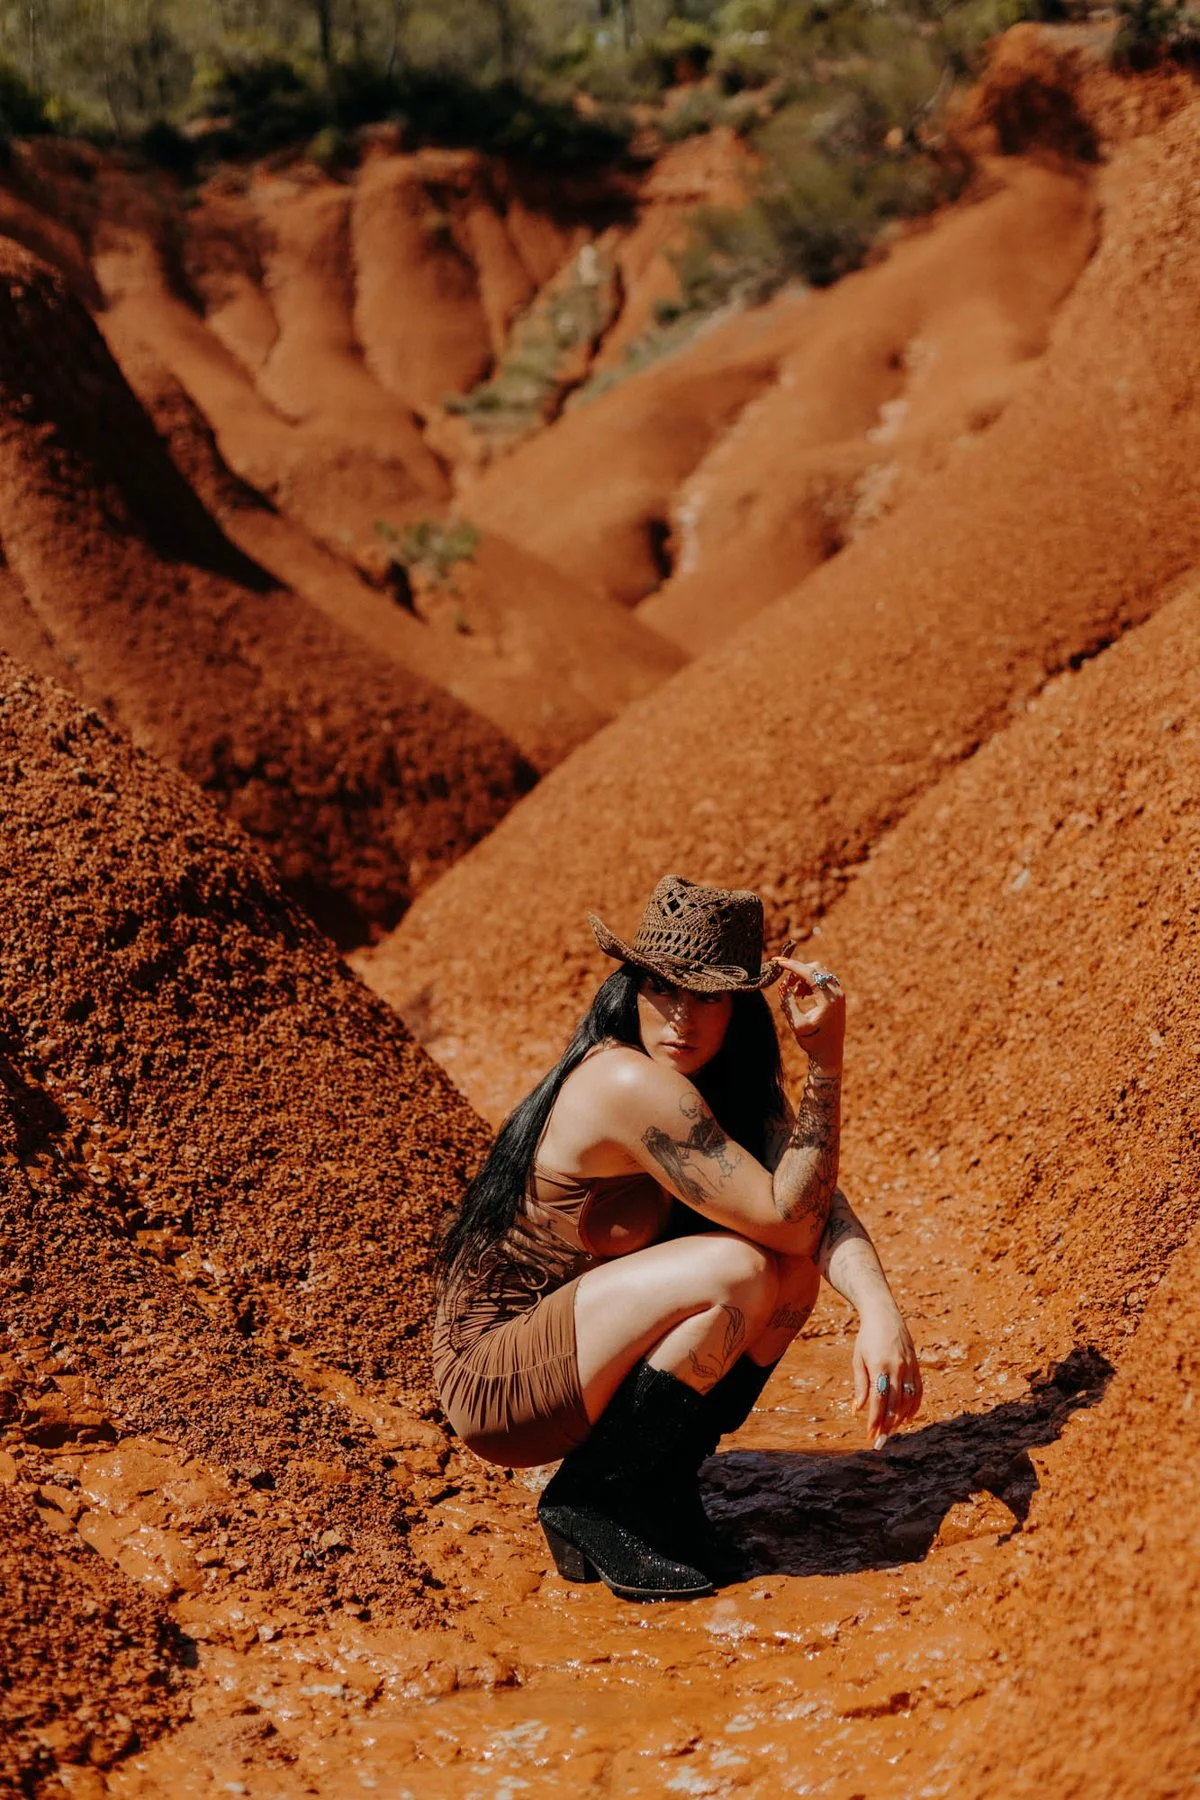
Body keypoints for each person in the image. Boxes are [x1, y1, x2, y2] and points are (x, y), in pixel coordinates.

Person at [433, 874, 922, 1602]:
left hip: (573, 1354)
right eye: (663, 989)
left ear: (739, 1008)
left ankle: (657, 1487)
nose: (682, 1019)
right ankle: (593, 1498)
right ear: (630, 988)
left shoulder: (721, 1087)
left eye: (709, 997)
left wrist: (879, 1309)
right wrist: (827, 1063)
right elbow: (791, 1218)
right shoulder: (626, 1082)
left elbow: (816, 1212)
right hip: (499, 1377)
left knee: (789, 1274)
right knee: (739, 1268)